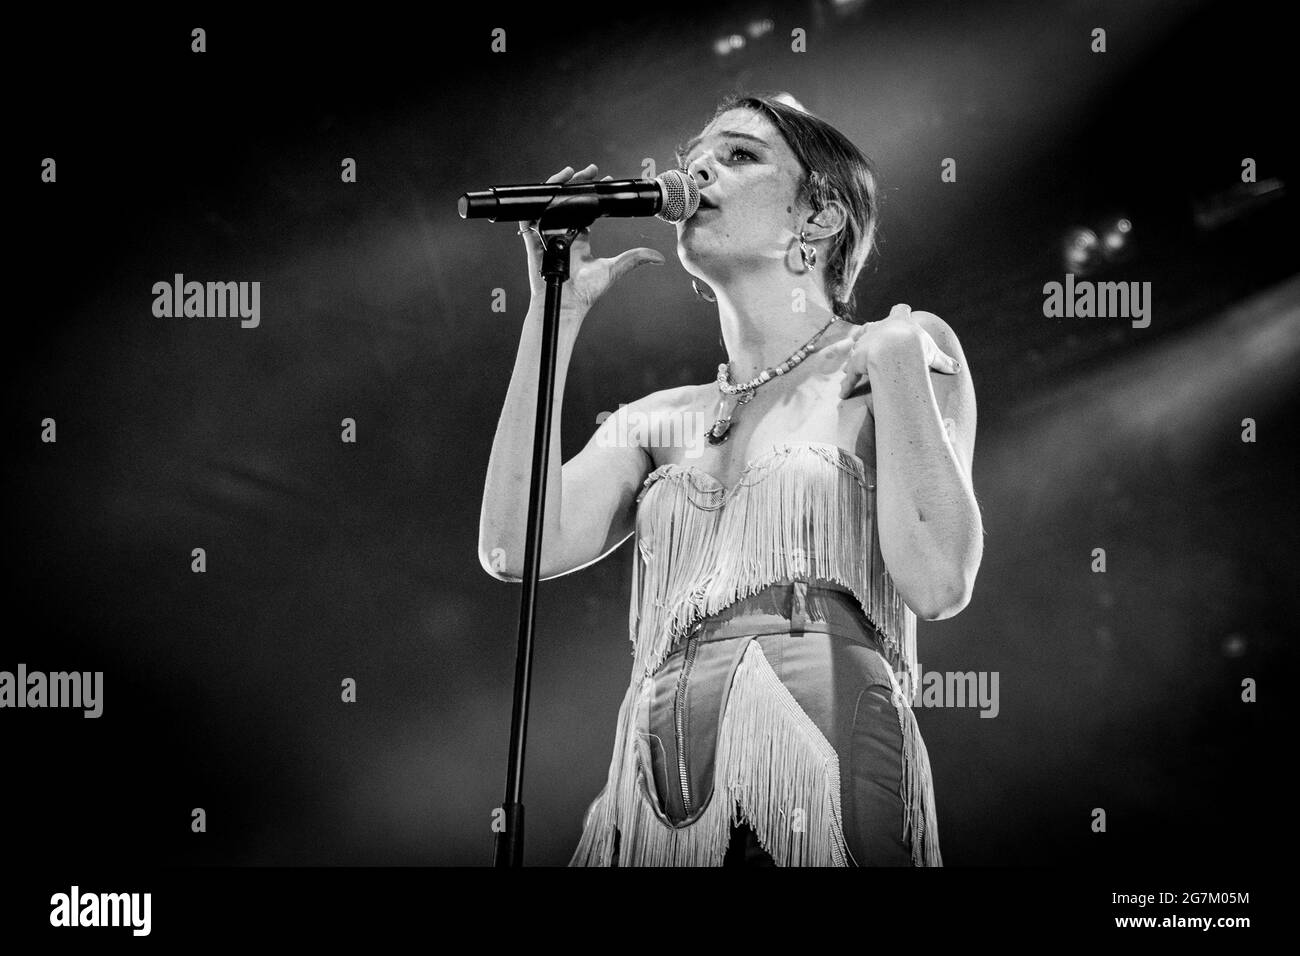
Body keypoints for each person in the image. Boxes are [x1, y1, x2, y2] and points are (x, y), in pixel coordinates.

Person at [478, 92, 982, 866]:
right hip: (659, 765)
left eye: (741, 155)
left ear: (819, 217)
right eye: (693, 159)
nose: (698, 170)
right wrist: (552, 314)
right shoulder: (660, 420)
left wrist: (897, 364)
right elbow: (514, 545)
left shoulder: (891, 353)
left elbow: (940, 580)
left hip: (825, 747)